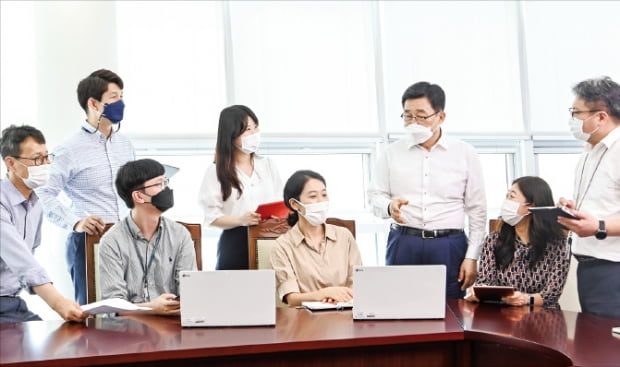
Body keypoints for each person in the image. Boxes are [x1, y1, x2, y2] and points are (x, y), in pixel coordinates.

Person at [368, 81, 486, 298]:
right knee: (399, 309)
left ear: (440, 117)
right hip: (404, 242)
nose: (414, 122)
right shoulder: (391, 153)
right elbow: (375, 197)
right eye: (407, 116)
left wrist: (473, 256)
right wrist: (388, 206)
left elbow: (477, 210)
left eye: (421, 116)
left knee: (451, 314)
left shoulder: (465, 153)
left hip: (449, 245)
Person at [37, 69, 135, 305]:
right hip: (90, 241)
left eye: (121, 96)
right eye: (113, 97)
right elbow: (43, 192)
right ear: (93, 103)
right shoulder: (69, 148)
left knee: (133, 310)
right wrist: (75, 221)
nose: (120, 103)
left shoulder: (125, 144)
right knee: (95, 313)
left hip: (129, 238)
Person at [1, 125, 87, 322]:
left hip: (13, 302)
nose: (45, 164)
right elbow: (24, 263)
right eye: (37, 159)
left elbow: (30, 253)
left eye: (47, 157)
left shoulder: (35, 204)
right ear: (11, 163)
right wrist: (59, 303)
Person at [98, 158, 197, 316]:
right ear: (138, 196)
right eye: (159, 184)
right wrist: (152, 308)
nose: (166, 189)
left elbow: (191, 293)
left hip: (171, 327)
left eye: (166, 182)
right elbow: (113, 307)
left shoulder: (180, 234)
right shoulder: (112, 241)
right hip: (128, 331)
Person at [557, 76, 620, 319]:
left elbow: (599, 221)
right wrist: (573, 209)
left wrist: (598, 226)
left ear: (601, 116)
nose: (573, 120)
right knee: (596, 342)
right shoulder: (589, 153)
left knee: (609, 347)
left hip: (613, 267)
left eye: (577, 113)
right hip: (589, 263)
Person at [198, 105, 282, 269]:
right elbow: (212, 218)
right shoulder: (216, 171)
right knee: (233, 291)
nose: (254, 134)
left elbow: (280, 201)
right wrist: (241, 220)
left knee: (270, 290)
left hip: (271, 239)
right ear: (231, 135)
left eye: (255, 127)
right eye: (247, 130)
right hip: (236, 242)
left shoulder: (268, 165)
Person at [466, 176, 570, 309]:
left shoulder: (558, 243)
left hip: (543, 316)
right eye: (507, 196)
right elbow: (484, 283)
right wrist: (481, 293)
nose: (506, 202)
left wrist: (525, 299)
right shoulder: (494, 239)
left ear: (531, 206)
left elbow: (552, 293)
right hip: (503, 314)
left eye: (512, 196)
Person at [270, 170, 362, 307]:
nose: (321, 201)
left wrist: (338, 298)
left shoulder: (344, 236)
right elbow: (292, 299)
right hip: (305, 320)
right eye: (313, 196)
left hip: (345, 314)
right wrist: (325, 294)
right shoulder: (282, 246)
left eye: (324, 195)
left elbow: (358, 284)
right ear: (295, 204)